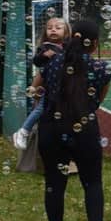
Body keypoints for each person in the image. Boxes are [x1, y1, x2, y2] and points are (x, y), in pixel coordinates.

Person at [36, 19, 111, 221]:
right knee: (93, 180)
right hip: (84, 127)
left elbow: (36, 88)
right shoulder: (103, 68)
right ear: (95, 43)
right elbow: (97, 101)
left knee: (54, 181)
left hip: (51, 127)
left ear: (71, 38)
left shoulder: (51, 62)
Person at [12, 17, 70, 150]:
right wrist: (44, 55)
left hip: (64, 89)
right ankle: (23, 131)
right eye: (49, 28)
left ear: (66, 32)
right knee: (41, 108)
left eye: (58, 28)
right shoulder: (45, 47)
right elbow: (36, 62)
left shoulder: (68, 46)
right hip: (49, 88)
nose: (53, 30)